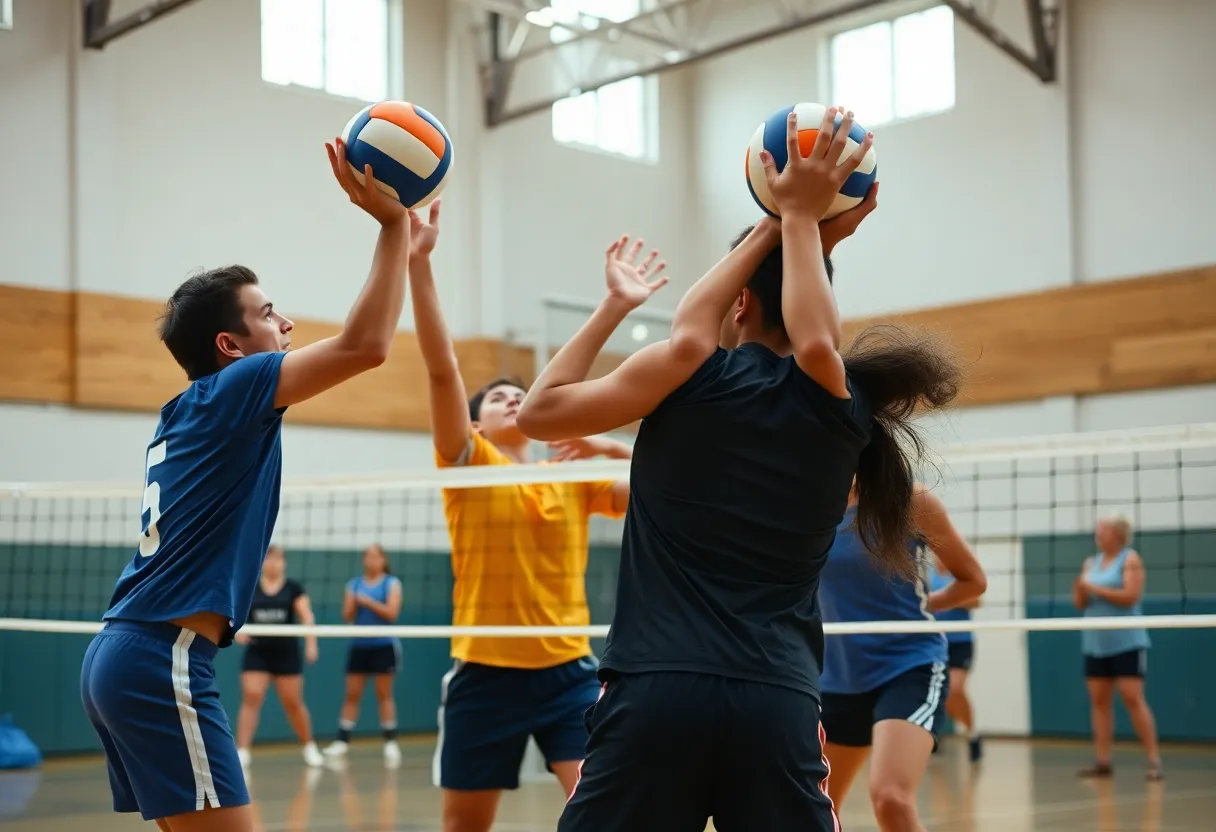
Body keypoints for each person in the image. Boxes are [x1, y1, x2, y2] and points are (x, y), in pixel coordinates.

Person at [516, 107, 963, 832]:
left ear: (741, 300)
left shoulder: (685, 373)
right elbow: (819, 340)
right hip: (775, 701)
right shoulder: (846, 410)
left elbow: (541, 412)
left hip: (653, 693)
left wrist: (778, 217)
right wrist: (804, 223)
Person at [78, 138, 413, 832]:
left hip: (126, 654)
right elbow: (368, 345)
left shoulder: (185, 410)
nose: (286, 324)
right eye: (268, 313)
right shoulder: (237, 387)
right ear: (230, 347)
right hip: (159, 659)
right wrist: (394, 225)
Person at [403, 199, 633, 832]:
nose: (513, 399)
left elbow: (657, 488)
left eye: (520, 393)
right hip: (485, 673)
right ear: (477, 423)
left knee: (602, 814)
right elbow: (440, 368)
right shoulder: (468, 461)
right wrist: (420, 264)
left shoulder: (572, 478)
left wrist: (610, 446)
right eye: (499, 397)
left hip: (569, 674)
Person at [817, 483, 986, 831]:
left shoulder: (910, 501)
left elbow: (974, 580)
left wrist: (921, 606)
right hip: (838, 674)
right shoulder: (807, 500)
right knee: (816, 805)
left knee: (890, 798)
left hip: (910, 664)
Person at [1074, 513, 1163, 781]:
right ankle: (1102, 761)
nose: (1098, 532)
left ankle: (1154, 760)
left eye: (1104, 529)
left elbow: (1130, 596)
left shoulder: (1130, 559)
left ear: (1118, 534)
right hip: (1095, 642)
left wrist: (1094, 588)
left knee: (1132, 699)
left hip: (1126, 642)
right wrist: (1081, 588)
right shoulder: (1092, 563)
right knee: (1099, 702)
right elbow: (1081, 602)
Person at [233, 545, 323, 768]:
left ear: (284, 562)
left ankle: (309, 745)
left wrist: (312, 643)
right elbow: (236, 614)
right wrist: (236, 630)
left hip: (286, 653)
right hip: (258, 652)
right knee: (251, 697)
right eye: (269, 559)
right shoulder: (251, 587)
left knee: (293, 703)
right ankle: (242, 752)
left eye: (278, 559)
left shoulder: (293, 589)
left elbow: (307, 617)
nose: (273, 563)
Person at [323, 544, 405, 766]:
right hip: (359, 646)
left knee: (384, 695)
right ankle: (342, 741)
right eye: (367, 556)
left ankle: (390, 742)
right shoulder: (354, 584)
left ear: (383, 559)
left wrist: (368, 602)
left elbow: (392, 613)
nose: (371, 560)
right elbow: (347, 615)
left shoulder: (391, 583)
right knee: (352, 695)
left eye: (375, 555)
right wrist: (352, 605)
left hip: (383, 645)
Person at [928, 553, 983, 761]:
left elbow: (977, 600)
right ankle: (936, 734)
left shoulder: (959, 573)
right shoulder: (927, 575)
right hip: (935, 640)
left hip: (961, 640)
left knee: (956, 689)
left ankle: (972, 734)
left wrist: (948, 599)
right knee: (940, 693)